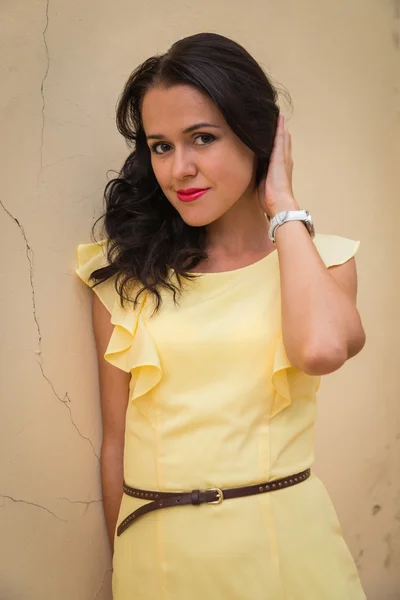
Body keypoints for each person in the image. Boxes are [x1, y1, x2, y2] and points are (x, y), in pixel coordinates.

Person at [76, 32, 367, 600]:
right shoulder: (125, 280)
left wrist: (283, 206)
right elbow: (115, 446)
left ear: (257, 138)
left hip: (293, 556)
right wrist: (125, 565)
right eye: (160, 146)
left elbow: (321, 349)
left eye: (202, 138)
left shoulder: (322, 262)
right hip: (160, 562)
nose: (179, 168)